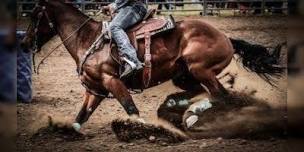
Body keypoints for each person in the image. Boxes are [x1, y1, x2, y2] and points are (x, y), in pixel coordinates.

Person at [102, 0, 147, 77]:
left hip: (134, 7)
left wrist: (112, 6)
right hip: (132, 7)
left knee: (114, 27)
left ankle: (132, 60)